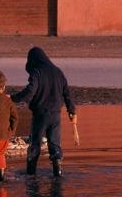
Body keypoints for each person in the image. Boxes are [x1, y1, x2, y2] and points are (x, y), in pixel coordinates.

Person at [12, 47, 76, 177]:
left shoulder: (37, 73)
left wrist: (13, 99)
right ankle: (57, 173)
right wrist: (71, 110)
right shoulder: (58, 72)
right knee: (54, 145)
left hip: (40, 115)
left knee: (35, 144)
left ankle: (31, 174)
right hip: (56, 115)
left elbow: (30, 92)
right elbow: (67, 94)